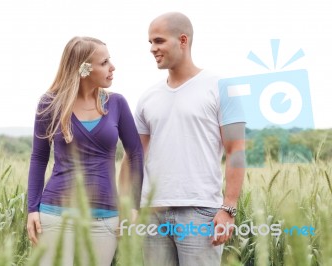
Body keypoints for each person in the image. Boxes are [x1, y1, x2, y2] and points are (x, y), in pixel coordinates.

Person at [134, 12, 246, 265]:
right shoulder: (147, 97)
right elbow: (135, 157)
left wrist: (228, 208)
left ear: (182, 40)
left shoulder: (221, 88)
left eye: (159, 41)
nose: (153, 48)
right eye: (150, 42)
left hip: (201, 211)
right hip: (152, 212)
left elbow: (236, 149)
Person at [26, 36, 144, 266]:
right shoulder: (50, 103)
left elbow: (136, 153)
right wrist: (32, 209)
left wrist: (133, 206)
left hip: (105, 217)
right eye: (104, 62)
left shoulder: (117, 103)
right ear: (84, 68)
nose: (112, 67)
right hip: (55, 214)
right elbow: (39, 157)